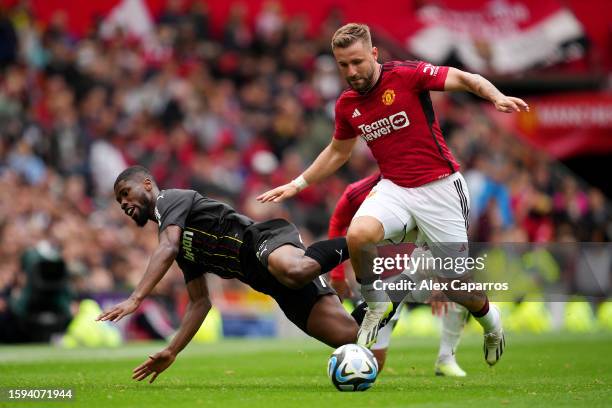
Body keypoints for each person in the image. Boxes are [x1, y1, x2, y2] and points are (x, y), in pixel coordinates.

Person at [258, 23, 529, 365]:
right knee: (358, 235)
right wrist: (297, 184)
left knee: (456, 287)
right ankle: (376, 304)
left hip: (440, 188)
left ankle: (491, 323)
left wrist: (495, 96)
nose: (351, 72)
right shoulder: (347, 105)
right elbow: (338, 152)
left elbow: (464, 78)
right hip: (395, 187)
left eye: (357, 62)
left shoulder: (407, 75)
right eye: (343, 65)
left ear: (373, 54)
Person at [97, 165, 357, 383]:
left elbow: (168, 246)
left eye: (125, 193)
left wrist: (136, 298)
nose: (123, 203)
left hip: (264, 241)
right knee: (352, 338)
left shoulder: (170, 200)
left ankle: (360, 241)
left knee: (295, 270)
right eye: (119, 201)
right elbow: (200, 303)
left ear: (146, 184)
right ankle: (391, 296)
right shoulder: (181, 247)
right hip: (270, 285)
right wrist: (172, 350)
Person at [329, 173, 469, 376]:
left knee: (458, 287)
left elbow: (445, 235)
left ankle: (446, 359)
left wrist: (442, 277)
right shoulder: (357, 192)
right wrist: (338, 274)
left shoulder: (429, 189)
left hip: (417, 270)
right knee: (373, 364)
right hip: (382, 280)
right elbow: (337, 222)